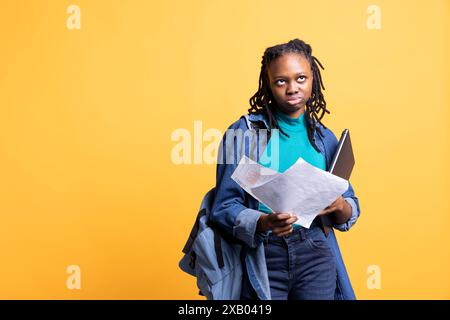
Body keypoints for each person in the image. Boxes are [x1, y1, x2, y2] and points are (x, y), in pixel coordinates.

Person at [210, 38, 361, 300]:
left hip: (314, 250)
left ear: (313, 78)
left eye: (300, 78)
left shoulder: (324, 139)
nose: (292, 88)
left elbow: (350, 207)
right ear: (268, 84)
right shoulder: (244, 134)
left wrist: (339, 205)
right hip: (264, 253)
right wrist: (263, 221)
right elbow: (223, 208)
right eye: (281, 81)